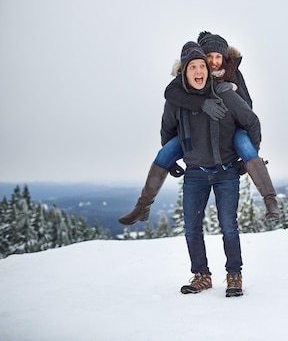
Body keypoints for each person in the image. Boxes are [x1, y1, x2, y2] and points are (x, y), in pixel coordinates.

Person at [118, 32, 279, 226]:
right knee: (165, 152)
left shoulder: (232, 74)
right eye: (209, 57)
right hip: (196, 133)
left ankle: (270, 201)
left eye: (218, 57)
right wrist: (202, 103)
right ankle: (142, 206)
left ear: (225, 58)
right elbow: (171, 94)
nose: (214, 61)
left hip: (230, 130)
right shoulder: (193, 74)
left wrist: (230, 98)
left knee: (245, 145)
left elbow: (248, 109)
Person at [163, 40, 259, 296]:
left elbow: (250, 118)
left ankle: (234, 276)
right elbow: (167, 128)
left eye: (203, 65)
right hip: (195, 172)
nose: (201, 69)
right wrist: (172, 157)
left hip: (226, 169)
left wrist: (247, 158)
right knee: (191, 226)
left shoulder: (227, 85)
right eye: (193, 66)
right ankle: (201, 276)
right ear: (185, 70)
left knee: (228, 225)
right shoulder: (178, 95)